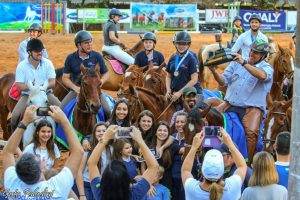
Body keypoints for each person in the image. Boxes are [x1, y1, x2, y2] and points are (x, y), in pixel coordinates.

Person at [209, 39, 273, 165]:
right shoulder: (236, 63)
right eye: (251, 50)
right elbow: (222, 81)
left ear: (263, 56)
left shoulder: (266, 67)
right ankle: (210, 154)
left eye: (256, 52)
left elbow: (262, 76)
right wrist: (213, 70)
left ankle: (246, 163)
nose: (251, 53)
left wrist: (243, 63)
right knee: (211, 119)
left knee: (251, 132)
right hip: (230, 103)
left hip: (252, 108)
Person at [3, 105, 84, 199]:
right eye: (38, 159)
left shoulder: (13, 185)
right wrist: (64, 120)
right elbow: (78, 151)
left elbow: (7, 152)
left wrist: (24, 122)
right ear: (40, 170)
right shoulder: (56, 189)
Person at [87, 125, 160, 200]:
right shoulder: (134, 193)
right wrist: (140, 140)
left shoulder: (100, 193)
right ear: (127, 181)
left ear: (104, 180)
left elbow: (91, 164)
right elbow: (154, 167)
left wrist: (105, 138)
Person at [181, 128, 247, 200]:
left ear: (203, 170)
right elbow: (242, 166)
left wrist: (194, 147)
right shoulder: (233, 186)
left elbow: (185, 170)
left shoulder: (192, 189)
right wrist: (229, 143)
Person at [11, 38, 61, 131]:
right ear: (29, 52)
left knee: (62, 111)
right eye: (36, 51)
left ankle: (60, 140)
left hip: (46, 94)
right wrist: (31, 88)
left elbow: (52, 82)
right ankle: (14, 141)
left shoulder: (48, 63)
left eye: (41, 50)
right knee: (15, 116)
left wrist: (40, 87)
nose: (40, 53)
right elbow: (19, 85)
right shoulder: (22, 66)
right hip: (28, 95)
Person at [61, 30, 111, 118]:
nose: (90, 44)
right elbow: (65, 78)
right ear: (79, 45)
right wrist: (75, 88)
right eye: (86, 43)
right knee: (61, 110)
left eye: (91, 42)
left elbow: (106, 73)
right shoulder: (70, 58)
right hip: (76, 90)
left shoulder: (97, 56)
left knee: (107, 111)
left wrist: (101, 82)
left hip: (94, 90)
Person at [75, 122, 112, 200]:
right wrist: (82, 195)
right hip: (87, 186)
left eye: (104, 131)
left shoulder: (111, 149)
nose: (101, 133)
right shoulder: (88, 148)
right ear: (94, 133)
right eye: (98, 131)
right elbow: (79, 172)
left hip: (103, 187)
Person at [165, 31, 201, 110]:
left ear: (188, 45)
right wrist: (168, 90)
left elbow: (194, 79)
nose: (181, 46)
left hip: (189, 95)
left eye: (184, 44)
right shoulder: (173, 57)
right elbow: (168, 76)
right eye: (179, 43)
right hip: (174, 95)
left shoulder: (191, 58)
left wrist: (180, 93)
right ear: (175, 44)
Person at [149, 121, 181, 191]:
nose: (162, 133)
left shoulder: (172, 146)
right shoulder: (150, 147)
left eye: (165, 131)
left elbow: (183, 150)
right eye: (160, 130)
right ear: (155, 132)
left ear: (168, 133)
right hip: (151, 185)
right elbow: (144, 165)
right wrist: (148, 184)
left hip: (166, 185)